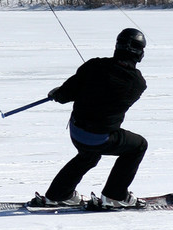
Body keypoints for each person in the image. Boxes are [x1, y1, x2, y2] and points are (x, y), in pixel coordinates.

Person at [35, 28, 148, 209]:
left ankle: (58, 195)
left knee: (89, 155)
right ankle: (114, 195)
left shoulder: (94, 65)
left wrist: (58, 93)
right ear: (139, 53)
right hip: (99, 137)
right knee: (139, 146)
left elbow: (65, 95)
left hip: (77, 132)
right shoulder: (138, 83)